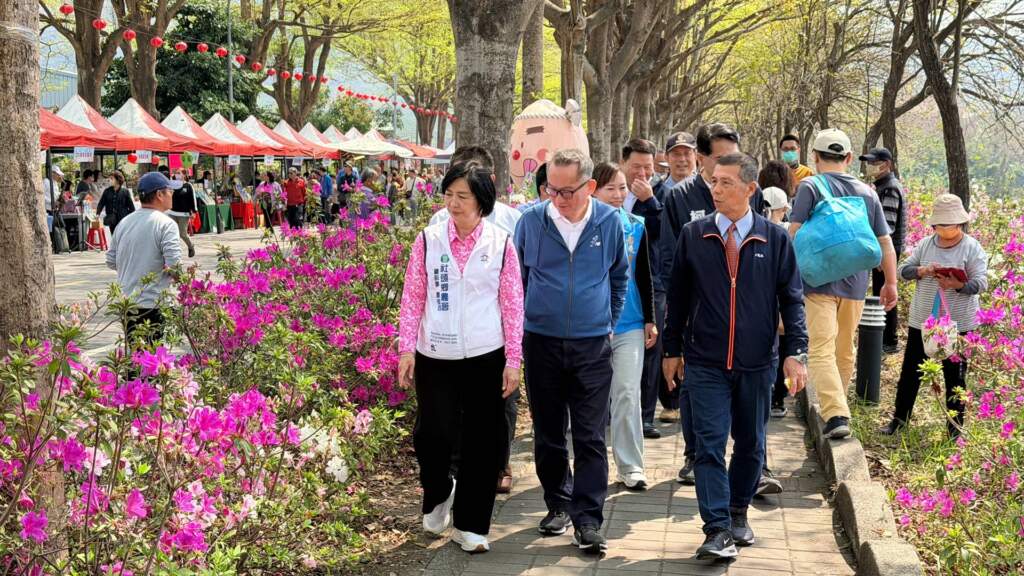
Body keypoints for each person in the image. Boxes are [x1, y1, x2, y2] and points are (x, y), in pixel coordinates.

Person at [661, 152, 808, 560]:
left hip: (757, 362)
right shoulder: (695, 234)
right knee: (708, 445)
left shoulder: (774, 238)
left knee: (750, 444)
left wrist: (796, 352)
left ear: (749, 188)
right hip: (704, 360)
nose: (717, 189)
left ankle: (739, 512)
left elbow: (792, 300)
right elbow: (677, 297)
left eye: (726, 182)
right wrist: (671, 349)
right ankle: (717, 529)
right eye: (713, 181)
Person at [397, 162, 524, 554]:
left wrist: (514, 360)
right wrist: (405, 349)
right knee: (432, 436)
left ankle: (471, 525)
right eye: (448, 194)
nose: (453, 203)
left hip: (487, 353)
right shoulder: (428, 239)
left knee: (484, 441)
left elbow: (513, 304)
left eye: (462, 196)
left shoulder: (501, 243)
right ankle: (439, 492)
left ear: (481, 201)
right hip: (436, 353)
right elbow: (413, 296)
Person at [514, 148, 628, 554]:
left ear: (590, 186)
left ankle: (589, 519)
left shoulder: (609, 222)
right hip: (541, 341)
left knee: (591, 436)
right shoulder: (530, 223)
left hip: (593, 344)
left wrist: (608, 321)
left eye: (568, 191)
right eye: (551, 190)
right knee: (548, 434)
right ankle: (557, 504)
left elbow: (619, 275)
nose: (558, 198)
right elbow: (518, 281)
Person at [659, 123, 764, 485]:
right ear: (701, 159)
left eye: (734, 157)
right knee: (694, 385)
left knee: (747, 395)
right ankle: (695, 455)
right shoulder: (679, 197)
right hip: (699, 310)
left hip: (745, 312)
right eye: (720, 159)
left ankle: (755, 465)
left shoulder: (753, 190)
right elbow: (670, 260)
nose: (728, 168)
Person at [788, 128, 899, 440]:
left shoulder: (810, 185)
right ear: (849, 158)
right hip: (855, 284)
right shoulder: (867, 192)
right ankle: (837, 410)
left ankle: (835, 413)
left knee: (820, 346)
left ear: (815, 157)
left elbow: (793, 234)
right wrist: (890, 283)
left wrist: (781, 278)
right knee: (844, 349)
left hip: (815, 281)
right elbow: (885, 244)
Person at [428, 146, 522, 495]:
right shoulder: (438, 224)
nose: (456, 199)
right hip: (450, 337)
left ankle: (501, 463)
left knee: (501, 403)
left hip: (494, 334)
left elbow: (516, 284)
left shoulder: (511, 222)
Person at [881, 194, 986, 438]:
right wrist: (922, 270)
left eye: (948, 225)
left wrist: (956, 284)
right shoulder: (926, 244)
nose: (943, 229)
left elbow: (981, 283)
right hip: (923, 321)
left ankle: (954, 429)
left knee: (955, 378)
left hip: (958, 324)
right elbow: (903, 270)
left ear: (959, 224)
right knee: (911, 372)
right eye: (939, 225)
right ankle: (899, 420)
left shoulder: (972, 248)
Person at [592, 162, 657, 490]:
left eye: (622, 188)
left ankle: (631, 466)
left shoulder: (636, 225)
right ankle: (589, 468)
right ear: (593, 189)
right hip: (590, 326)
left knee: (628, 393)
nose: (618, 195)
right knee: (591, 400)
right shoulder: (581, 227)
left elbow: (644, 274)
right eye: (610, 189)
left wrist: (650, 319)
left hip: (629, 323)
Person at [619, 138, 665, 439]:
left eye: (648, 168)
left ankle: (646, 416)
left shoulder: (661, 192)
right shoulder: (613, 190)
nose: (642, 174)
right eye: (636, 167)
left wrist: (650, 201)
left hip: (651, 280)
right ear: (623, 163)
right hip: (614, 283)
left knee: (650, 348)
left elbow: (660, 233)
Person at [106, 171, 183, 343]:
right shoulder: (166, 224)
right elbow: (175, 267)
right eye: (170, 190)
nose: (173, 194)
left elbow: (111, 260)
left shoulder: (124, 222)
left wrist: (134, 266)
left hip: (127, 303)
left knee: (134, 361)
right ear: (159, 194)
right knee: (152, 362)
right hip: (153, 304)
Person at [860, 147, 907, 353]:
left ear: (886, 164)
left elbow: (887, 227)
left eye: (873, 162)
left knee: (886, 292)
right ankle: (885, 339)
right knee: (882, 290)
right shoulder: (882, 186)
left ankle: (889, 341)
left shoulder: (889, 188)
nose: (870, 166)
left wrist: (880, 253)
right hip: (883, 248)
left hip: (887, 249)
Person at [167, 170, 197, 258]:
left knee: (182, 233)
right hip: (172, 212)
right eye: (176, 173)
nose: (177, 175)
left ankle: (191, 246)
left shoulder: (188, 186)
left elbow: (192, 198)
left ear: (184, 175)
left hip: (184, 213)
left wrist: (194, 211)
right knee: (171, 232)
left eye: (179, 173)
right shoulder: (172, 185)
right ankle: (174, 251)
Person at [96, 170, 136, 237]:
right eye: (109, 178)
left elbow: (131, 207)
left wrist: (129, 217)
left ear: (117, 179)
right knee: (114, 236)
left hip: (123, 219)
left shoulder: (125, 191)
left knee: (122, 237)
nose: (109, 180)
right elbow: (101, 203)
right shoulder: (107, 191)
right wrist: (97, 214)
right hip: (111, 219)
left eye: (112, 178)